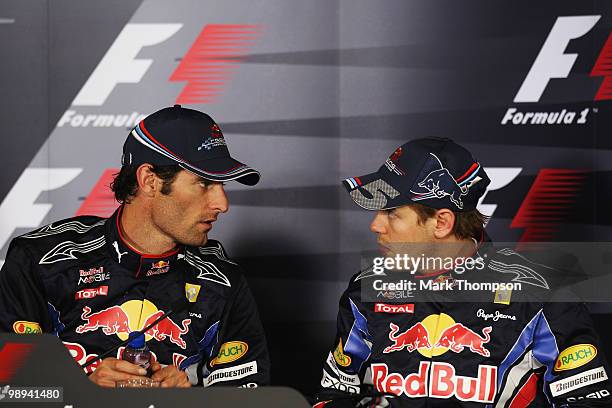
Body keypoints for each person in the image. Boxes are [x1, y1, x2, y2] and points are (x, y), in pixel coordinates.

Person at [313, 137, 611, 407]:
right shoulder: (366, 289)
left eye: (392, 213)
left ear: (441, 223)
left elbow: (588, 402)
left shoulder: (541, 294)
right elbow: (335, 393)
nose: (376, 226)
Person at [0, 105, 270, 388]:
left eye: (222, 186)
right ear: (149, 181)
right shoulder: (42, 260)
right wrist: (79, 391)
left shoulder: (224, 282)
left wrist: (194, 400)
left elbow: (251, 397)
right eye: (203, 183)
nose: (222, 204)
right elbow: (10, 388)